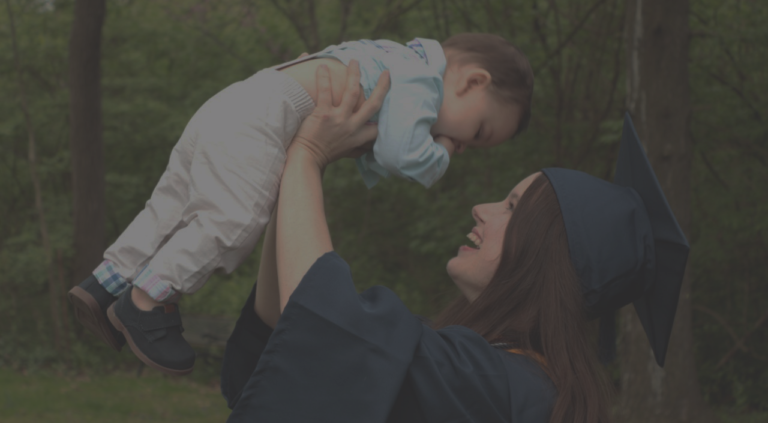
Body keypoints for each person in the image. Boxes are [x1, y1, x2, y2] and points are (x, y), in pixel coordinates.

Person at [219, 63, 690, 423]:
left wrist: (309, 155)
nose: (481, 209)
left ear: (550, 257)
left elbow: (329, 331)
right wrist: (294, 164)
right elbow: (288, 333)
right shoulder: (504, 375)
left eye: (510, 206)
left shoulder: (504, 385)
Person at [67, 33, 534, 375]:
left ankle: (107, 282)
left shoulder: (394, 52)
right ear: (473, 81)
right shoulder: (423, 83)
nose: (465, 144)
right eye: (478, 134)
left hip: (239, 99)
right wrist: (442, 155)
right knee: (232, 220)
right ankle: (148, 298)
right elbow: (401, 153)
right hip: (267, 117)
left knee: (169, 205)